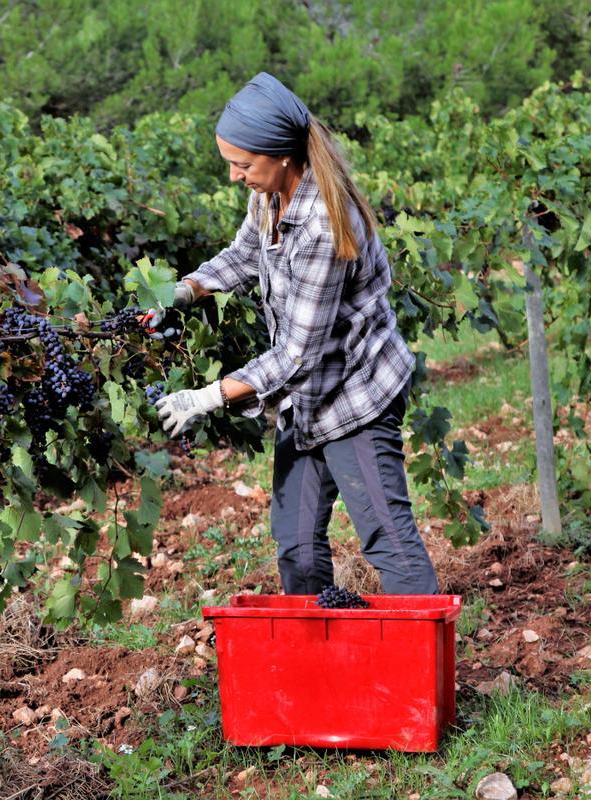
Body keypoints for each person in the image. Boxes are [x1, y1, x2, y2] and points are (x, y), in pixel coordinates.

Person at [148, 72, 438, 595]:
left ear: (282, 156)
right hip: (303, 400)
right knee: (297, 546)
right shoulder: (270, 194)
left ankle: (421, 669)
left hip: (355, 395)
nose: (235, 177)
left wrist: (210, 396)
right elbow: (243, 254)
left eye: (243, 165)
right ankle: (317, 664)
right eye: (230, 164)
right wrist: (187, 289)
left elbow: (299, 353)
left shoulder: (325, 223)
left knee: (385, 538)